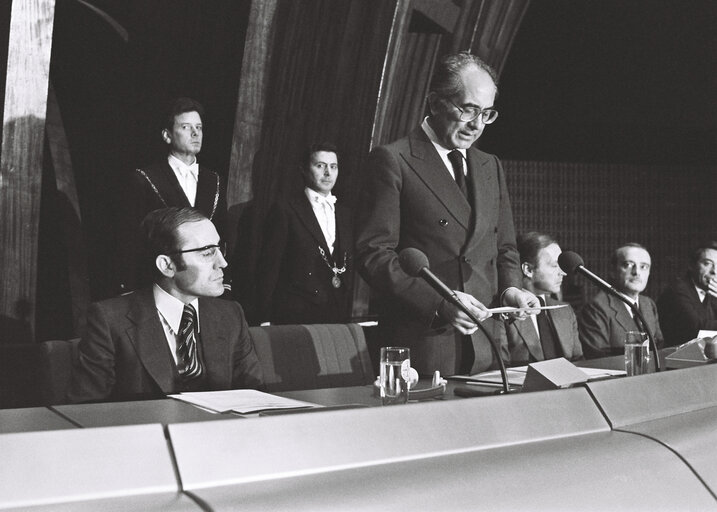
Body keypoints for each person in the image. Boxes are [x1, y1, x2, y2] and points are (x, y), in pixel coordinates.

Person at [355, 52, 537, 376]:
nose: (477, 125)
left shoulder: (489, 166)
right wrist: (440, 303)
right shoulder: (393, 160)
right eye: (468, 110)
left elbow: (505, 248)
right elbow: (373, 254)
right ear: (436, 102)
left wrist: (511, 290)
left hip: (486, 347)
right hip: (423, 349)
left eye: (487, 113)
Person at [69, 207, 262, 403]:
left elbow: (254, 397)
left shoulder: (230, 315)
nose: (223, 263)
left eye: (220, 249)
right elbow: (86, 410)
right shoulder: (109, 320)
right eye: (207, 253)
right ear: (167, 265)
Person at [117, 97, 227, 293]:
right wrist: (129, 284)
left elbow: (222, 233)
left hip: (204, 285)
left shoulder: (214, 180)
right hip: (159, 283)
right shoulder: (145, 178)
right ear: (167, 135)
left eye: (199, 127)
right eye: (186, 127)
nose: (195, 133)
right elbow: (130, 239)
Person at [255, 143, 353, 324]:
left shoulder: (345, 214)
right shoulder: (285, 209)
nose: (328, 173)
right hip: (295, 316)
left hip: (335, 316)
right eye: (320, 165)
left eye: (333, 167)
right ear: (304, 169)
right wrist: (264, 318)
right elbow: (269, 267)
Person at [498, 232, 582, 366]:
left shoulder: (565, 311)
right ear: (528, 269)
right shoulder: (505, 312)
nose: (563, 273)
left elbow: (579, 361)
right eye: (555, 265)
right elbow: (501, 368)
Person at [578, 243, 663, 358]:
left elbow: (660, 348)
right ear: (613, 271)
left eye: (644, 267)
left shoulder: (648, 304)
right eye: (628, 265)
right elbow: (598, 357)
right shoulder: (597, 307)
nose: (636, 272)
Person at [658, 242, 717, 345]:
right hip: (673, 357)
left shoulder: (711, 293)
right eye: (707, 263)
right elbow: (698, 329)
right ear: (691, 265)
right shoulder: (677, 290)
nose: (714, 271)